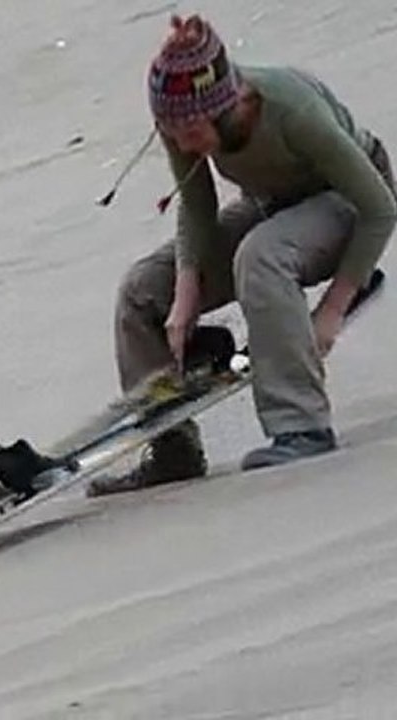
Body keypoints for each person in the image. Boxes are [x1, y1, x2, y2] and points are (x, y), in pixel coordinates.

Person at [89, 14, 397, 495]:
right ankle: (173, 448)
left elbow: (380, 206)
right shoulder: (179, 118)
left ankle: (302, 427)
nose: (182, 143)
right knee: (142, 290)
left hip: (347, 202)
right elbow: (197, 207)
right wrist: (184, 298)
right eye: (171, 131)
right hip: (269, 202)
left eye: (191, 132)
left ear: (226, 106)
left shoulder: (292, 108)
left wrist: (331, 312)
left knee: (260, 255)